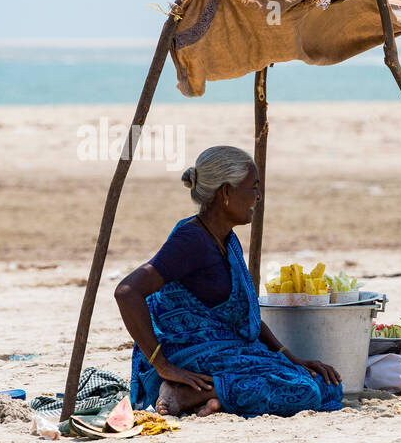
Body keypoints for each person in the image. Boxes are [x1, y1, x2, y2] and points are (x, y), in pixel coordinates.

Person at [115, 145, 343, 417]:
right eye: (253, 187)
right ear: (226, 192)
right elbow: (127, 292)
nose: (258, 196)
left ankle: (214, 399)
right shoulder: (191, 240)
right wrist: (163, 366)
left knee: (328, 387)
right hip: (190, 356)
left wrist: (290, 357)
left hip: (225, 349)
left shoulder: (225, 239)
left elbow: (244, 315)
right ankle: (188, 392)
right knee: (304, 391)